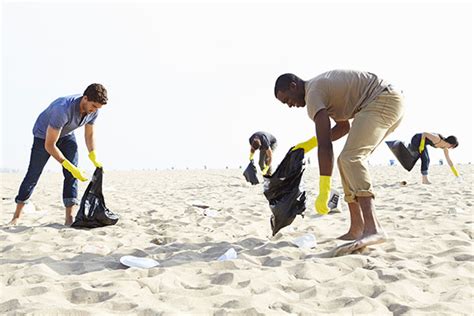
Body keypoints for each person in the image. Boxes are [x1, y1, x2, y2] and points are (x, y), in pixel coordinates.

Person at [274, 70, 404, 252]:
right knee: (345, 161)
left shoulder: (312, 95)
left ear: (293, 86)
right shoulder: (320, 90)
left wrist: (324, 189)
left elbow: (325, 146)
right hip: (388, 101)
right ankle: (357, 227)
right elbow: (343, 127)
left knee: (351, 158)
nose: (290, 105)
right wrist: (309, 144)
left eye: (287, 100)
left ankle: (373, 228)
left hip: (381, 100)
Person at [8, 84, 108, 226]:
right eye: (93, 106)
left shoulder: (93, 110)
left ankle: (69, 218)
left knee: (71, 175)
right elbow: (50, 145)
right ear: (85, 98)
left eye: (98, 108)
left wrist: (93, 155)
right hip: (43, 136)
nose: (94, 110)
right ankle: (17, 216)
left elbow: (89, 134)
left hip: (66, 134)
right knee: (33, 175)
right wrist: (68, 165)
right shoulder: (62, 109)